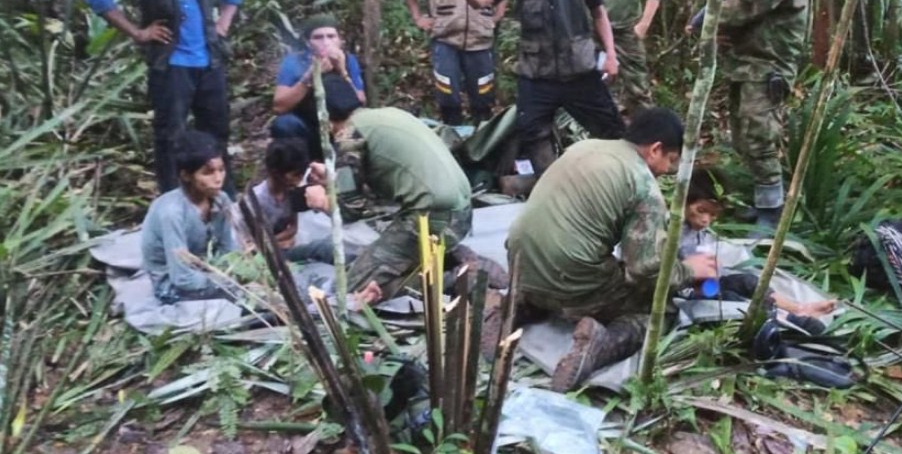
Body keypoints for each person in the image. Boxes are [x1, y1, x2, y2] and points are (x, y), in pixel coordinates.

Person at [495, 108, 718, 392]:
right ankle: (600, 345)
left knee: (570, 264)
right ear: (655, 149)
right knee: (658, 311)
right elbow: (644, 269)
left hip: (519, 262)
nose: (667, 171)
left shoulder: (585, 147)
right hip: (570, 278)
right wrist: (688, 270)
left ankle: (516, 306)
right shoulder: (643, 186)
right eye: (670, 161)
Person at [86, 0, 242, 195]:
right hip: (171, 65)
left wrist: (222, 24)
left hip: (209, 60)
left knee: (217, 132)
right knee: (171, 136)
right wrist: (138, 32)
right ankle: (175, 201)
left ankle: (225, 198)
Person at [454, 0, 625, 174]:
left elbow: (598, 12)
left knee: (611, 131)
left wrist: (611, 55)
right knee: (533, 133)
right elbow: (481, 0)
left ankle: (617, 181)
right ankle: (552, 184)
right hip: (537, 75)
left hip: (580, 71)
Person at [305, 78, 486, 298]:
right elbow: (388, 186)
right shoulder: (387, 115)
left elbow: (351, 211)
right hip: (461, 212)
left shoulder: (349, 137)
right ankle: (447, 260)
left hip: (432, 218)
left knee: (351, 289)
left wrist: (322, 201)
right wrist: (335, 180)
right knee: (379, 258)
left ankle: (456, 279)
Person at [715, 0, 808, 230]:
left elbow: (738, 9)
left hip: (766, 71)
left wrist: (705, 17)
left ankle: (772, 214)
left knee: (760, 140)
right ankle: (762, 202)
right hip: (749, 67)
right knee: (744, 138)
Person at [678, 167, 836, 323]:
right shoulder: (671, 230)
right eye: (701, 210)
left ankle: (798, 309)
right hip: (683, 290)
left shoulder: (696, 231)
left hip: (705, 284)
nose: (706, 220)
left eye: (713, 215)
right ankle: (784, 318)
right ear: (684, 201)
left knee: (748, 282)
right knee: (730, 299)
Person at [141, 130, 238, 304]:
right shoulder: (172, 213)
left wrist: (235, 271)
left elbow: (229, 250)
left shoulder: (221, 200)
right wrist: (225, 282)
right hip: (173, 285)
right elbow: (182, 277)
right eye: (208, 173)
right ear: (186, 175)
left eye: (221, 170)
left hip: (210, 271)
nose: (218, 179)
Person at [271, 15, 367, 160]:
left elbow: (361, 101)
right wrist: (309, 77)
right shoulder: (294, 62)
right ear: (308, 43)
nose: (325, 42)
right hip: (308, 127)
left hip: (341, 127)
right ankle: (300, 170)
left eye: (331, 36)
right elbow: (279, 107)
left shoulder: (348, 60)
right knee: (284, 124)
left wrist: (342, 71)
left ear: (339, 40)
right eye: (318, 37)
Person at [250, 138, 337, 264]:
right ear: (276, 173)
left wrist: (274, 241)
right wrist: (276, 243)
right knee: (318, 249)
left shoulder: (292, 192)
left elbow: (293, 229)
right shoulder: (257, 200)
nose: (299, 180)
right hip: (267, 258)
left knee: (327, 246)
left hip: (285, 247)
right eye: (296, 175)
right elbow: (253, 243)